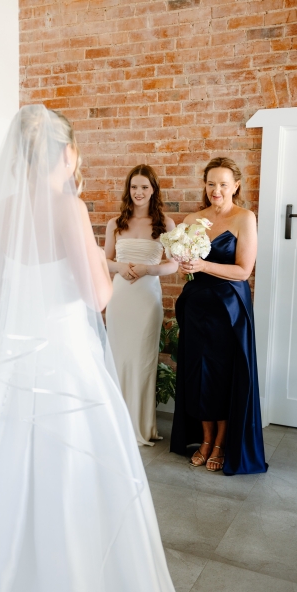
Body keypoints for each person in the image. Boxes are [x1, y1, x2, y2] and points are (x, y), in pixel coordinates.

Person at [0, 106, 178, 592]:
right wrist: (100, 264)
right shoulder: (68, 207)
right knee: (70, 474)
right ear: (67, 152)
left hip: (10, 360)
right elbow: (97, 297)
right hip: (65, 361)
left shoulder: (4, 208)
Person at [170, 156, 267, 476]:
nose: (217, 190)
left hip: (229, 310)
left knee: (223, 376)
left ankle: (222, 443)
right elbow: (187, 267)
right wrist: (185, 266)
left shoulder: (244, 218)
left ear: (235, 186)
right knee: (197, 374)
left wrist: (203, 265)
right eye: (211, 183)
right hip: (196, 307)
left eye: (223, 184)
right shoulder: (193, 218)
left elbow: (243, 271)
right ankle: (206, 438)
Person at [105, 165, 178, 447]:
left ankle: (140, 425)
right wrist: (120, 266)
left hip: (147, 299)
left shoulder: (165, 224)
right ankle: (115, 423)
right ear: (128, 189)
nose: (139, 192)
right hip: (120, 298)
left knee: (142, 361)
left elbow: (173, 264)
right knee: (118, 358)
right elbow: (105, 260)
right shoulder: (115, 223)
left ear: (153, 190)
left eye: (144, 187)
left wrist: (150, 269)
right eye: (134, 186)